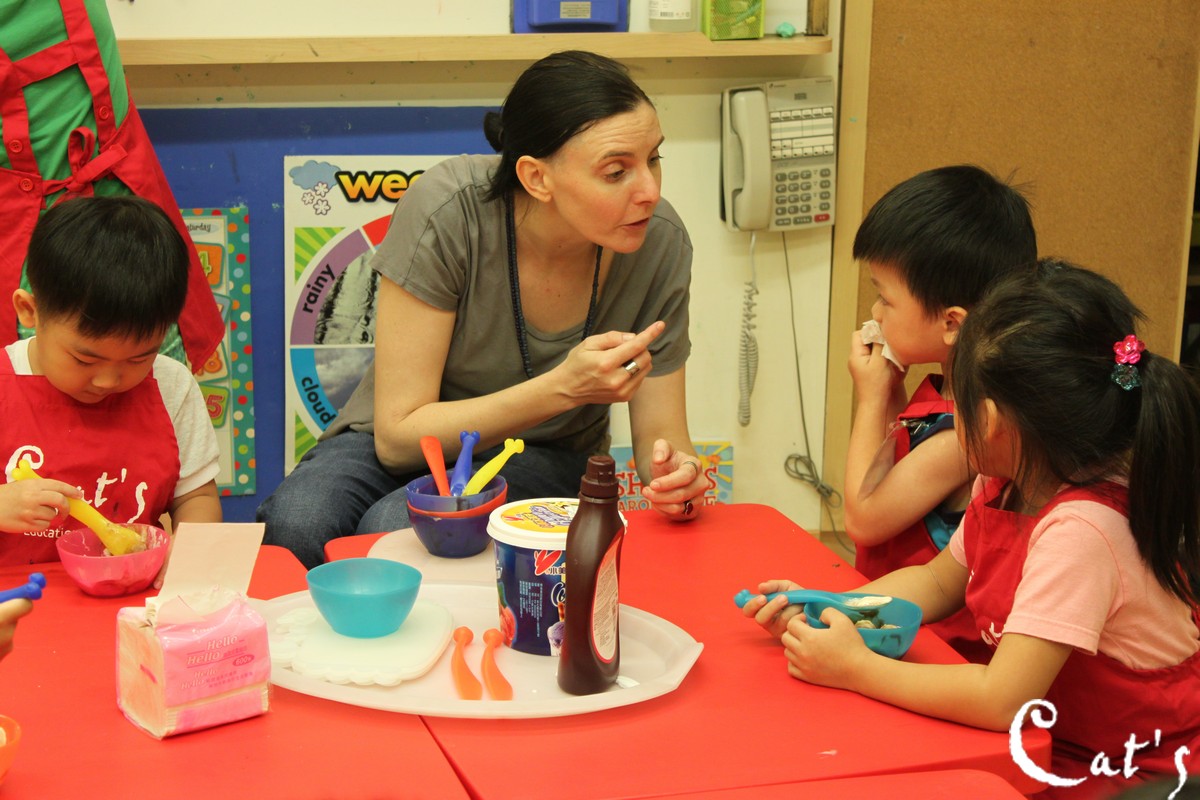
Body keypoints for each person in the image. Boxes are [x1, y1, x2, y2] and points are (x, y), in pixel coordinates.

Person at [743, 260, 1200, 798]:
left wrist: (855, 668)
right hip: (1049, 740)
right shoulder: (1005, 480)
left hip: (1129, 772)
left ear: (989, 420)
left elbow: (1000, 699)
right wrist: (828, 609)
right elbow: (937, 581)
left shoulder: (1082, 532)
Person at [259, 50, 706, 568]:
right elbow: (399, 440)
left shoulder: (659, 242)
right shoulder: (447, 209)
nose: (649, 191)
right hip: (406, 436)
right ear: (536, 178)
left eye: (654, 159)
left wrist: (678, 477)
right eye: (616, 172)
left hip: (542, 451)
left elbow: (662, 437)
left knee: (399, 529)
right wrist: (563, 387)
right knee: (298, 522)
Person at [843, 165, 1036, 660]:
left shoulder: (967, 434)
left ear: (952, 323)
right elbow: (894, 456)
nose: (876, 312)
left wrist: (871, 398)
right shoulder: (946, 392)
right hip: (894, 620)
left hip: (936, 647)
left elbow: (864, 518)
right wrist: (891, 389)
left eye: (886, 298)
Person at [0, 196, 222, 566]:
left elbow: (196, 497)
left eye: (139, 358)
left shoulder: (171, 386)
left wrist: (187, 558)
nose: (107, 380)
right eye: (85, 359)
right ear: (29, 311)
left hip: (132, 591)